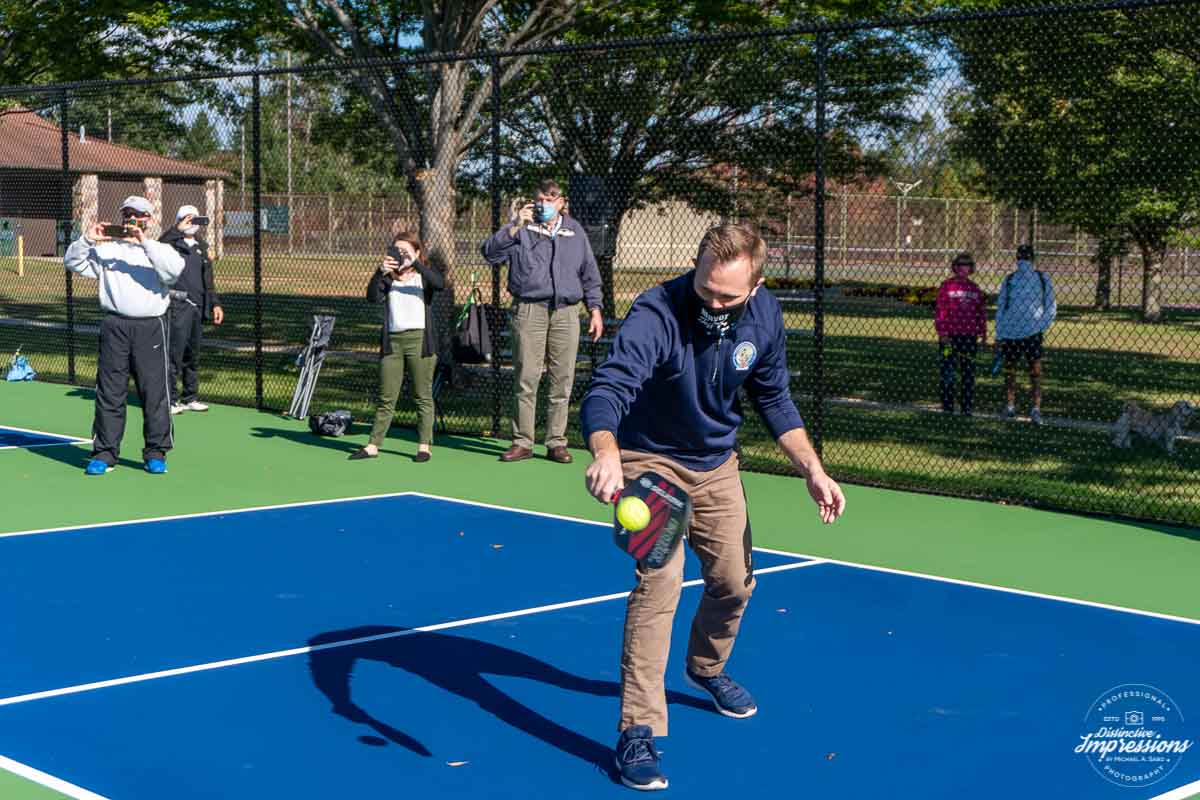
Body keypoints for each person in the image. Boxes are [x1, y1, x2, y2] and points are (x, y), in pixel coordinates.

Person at [580, 223, 845, 791]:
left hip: (717, 463)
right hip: (647, 458)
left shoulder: (765, 315)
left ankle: (705, 668)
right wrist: (606, 454)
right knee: (660, 583)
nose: (715, 303)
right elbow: (608, 388)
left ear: (756, 286)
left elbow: (774, 397)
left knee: (734, 583)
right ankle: (638, 731)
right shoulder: (657, 312)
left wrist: (813, 470)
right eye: (706, 289)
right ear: (694, 268)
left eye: (728, 296)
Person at [480, 179, 604, 464]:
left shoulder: (575, 232)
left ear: (561, 203)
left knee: (562, 380)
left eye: (550, 199)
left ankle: (556, 442)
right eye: (540, 199)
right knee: (527, 378)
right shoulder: (521, 229)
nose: (544, 204)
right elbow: (490, 253)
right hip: (529, 310)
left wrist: (595, 309)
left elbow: (589, 274)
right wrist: (514, 226)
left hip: (566, 312)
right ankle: (522, 442)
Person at [64, 195, 185, 475]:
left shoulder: (159, 250)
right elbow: (73, 262)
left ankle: (156, 452)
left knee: (154, 392)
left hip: (150, 327)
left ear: (149, 220)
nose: (133, 219)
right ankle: (105, 453)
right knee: (109, 392)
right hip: (114, 327)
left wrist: (142, 241)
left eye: (139, 215)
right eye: (128, 214)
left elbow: (174, 271)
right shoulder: (108, 250)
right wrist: (88, 239)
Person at [349, 231, 445, 462]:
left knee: (422, 395)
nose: (401, 255)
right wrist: (379, 272)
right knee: (386, 397)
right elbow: (372, 297)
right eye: (397, 250)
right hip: (393, 343)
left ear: (417, 252)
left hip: (420, 342)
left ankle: (424, 446)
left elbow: (439, 284)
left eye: (406, 251)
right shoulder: (389, 278)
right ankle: (373, 445)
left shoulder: (422, 277)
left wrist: (417, 265)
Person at [161, 204, 224, 415]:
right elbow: (160, 244)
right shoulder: (171, 243)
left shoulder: (202, 247)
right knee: (174, 354)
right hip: (178, 305)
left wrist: (215, 303)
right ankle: (169, 399)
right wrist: (177, 229)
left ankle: (190, 397)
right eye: (187, 219)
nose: (192, 223)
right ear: (179, 220)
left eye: (195, 219)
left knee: (193, 354)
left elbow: (209, 279)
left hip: (198, 307)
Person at [995, 244, 1056, 425]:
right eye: (1020, 257)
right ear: (1016, 259)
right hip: (1011, 333)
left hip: (1033, 333)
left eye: (1026, 257)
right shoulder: (1009, 280)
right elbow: (1001, 308)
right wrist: (1000, 335)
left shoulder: (1042, 278)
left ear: (1032, 259)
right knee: (1010, 372)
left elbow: (1051, 305)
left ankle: (1036, 409)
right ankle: (1010, 406)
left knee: (1035, 372)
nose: (1023, 261)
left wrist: (1040, 326)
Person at [934, 252, 987, 416]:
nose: (963, 268)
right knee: (947, 370)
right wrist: (943, 333)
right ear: (955, 268)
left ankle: (966, 407)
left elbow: (981, 312)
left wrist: (983, 332)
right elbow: (940, 311)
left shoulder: (975, 288)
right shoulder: (946, 286)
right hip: (949, 338)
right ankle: (947, 407)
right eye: (960, 265)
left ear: (971, 269)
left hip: (969, 338)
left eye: (967, 265)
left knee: (968, 372)